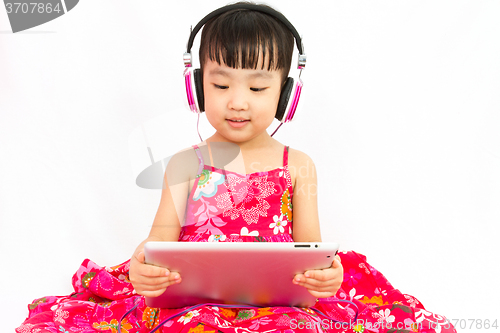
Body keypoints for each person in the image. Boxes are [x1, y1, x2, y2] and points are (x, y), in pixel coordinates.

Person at [17, 2, 456, 333]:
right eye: (221, 83)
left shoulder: (297, 166)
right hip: (191, 304)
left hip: (278, 305)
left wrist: (327, 275)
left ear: (286, 92)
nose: (238, 101)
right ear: (197, 85)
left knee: (296, 327)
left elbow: (314, 256)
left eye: (259, 86)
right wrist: (142, 268)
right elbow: (156, 248)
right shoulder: (186, 164)